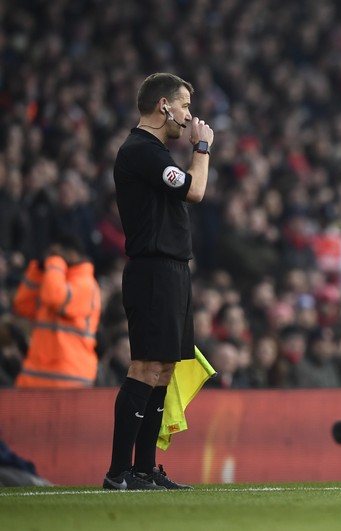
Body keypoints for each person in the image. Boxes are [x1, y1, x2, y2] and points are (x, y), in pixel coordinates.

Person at [103, 72, 214, 491]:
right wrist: (202, 148)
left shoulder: (156, 154)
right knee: (145, 366)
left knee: (163, 369)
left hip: (171, 270)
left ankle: (145, 469)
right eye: (184, 105)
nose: (188, 116)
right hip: (151, 270)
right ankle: (118, 472)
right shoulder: (141, 151)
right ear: (163, 105)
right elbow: (195, 190)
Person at [13, 233, 101, 388]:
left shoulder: (86, 284)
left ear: (73, 254)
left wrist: (54, 262)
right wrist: (37, 271)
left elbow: (55, 299)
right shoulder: (52, 279)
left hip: (70, 379)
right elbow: (22, 306)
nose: (52, 258)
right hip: (36, 377)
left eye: (57, 254)